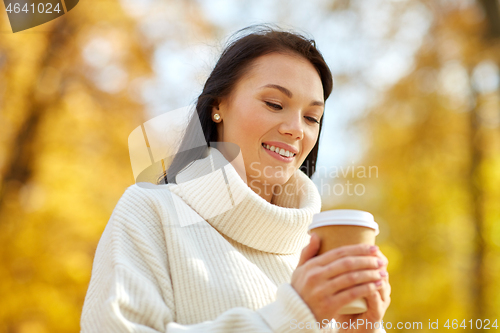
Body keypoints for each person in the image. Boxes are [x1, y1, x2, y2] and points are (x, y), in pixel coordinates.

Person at [81, 24, 391, 333]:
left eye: (311, 117)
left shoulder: (317, 254)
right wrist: (290, 318)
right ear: (218, 105)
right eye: (274, 104)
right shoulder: (151, 212)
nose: (297, 128)